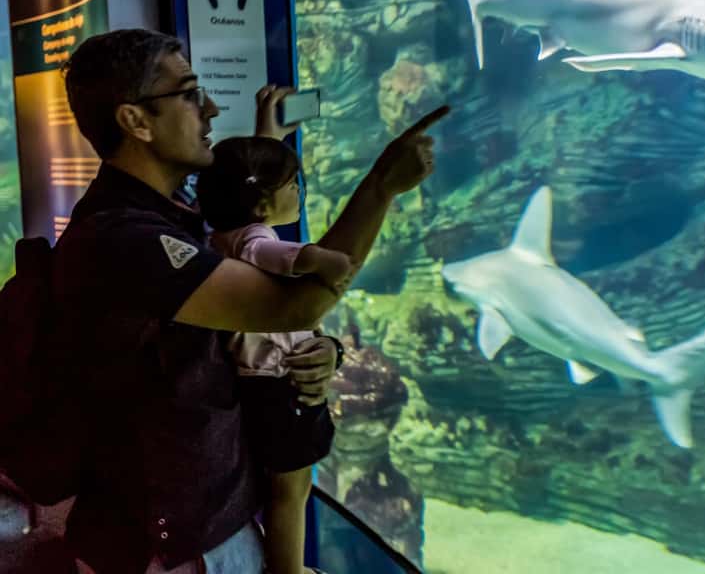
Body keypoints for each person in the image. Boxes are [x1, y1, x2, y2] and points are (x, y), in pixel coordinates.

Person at [55, 29, 448, 574]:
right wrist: (381, 185)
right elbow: (291, 307)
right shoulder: (125, 238)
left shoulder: (173, 212)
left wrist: (319, 351)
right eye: (189, 93)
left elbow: (249, 291)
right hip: (168, 547)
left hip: (199, 522)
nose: (211, 109)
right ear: (135, 121)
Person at [195, 134, 351, 574]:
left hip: (255, 381)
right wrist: (321, 259)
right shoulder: (253, 238)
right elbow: (270, 253)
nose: (299, 192)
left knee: (281, 486)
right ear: (262, 205)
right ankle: (290, 570)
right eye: (292, 185)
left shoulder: (217, 238)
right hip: (278, 380)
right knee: (292, 488)